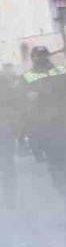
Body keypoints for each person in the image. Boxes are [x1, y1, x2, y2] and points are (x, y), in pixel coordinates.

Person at [21, 46, 66, 194]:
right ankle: (63, 188)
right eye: (37, 56)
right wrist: (27, 98)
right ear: (33, 58)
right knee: (54, 157)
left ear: (48, 55)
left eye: (43, 55)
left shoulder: (61, 70)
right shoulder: (27, 76)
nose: (41, 58)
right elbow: (21, 102)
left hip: (65, 119)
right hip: (45, 125)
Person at [0, 64, 20, 208]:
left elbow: (13, 102)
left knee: (6, 164)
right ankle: (9, 199)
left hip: (3, 128)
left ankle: (9, 199)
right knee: (7, 165)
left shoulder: (3, 79)